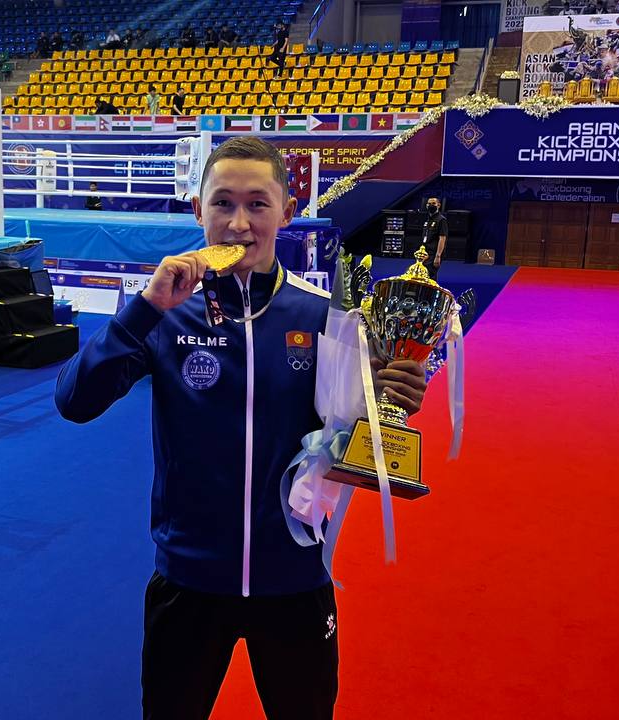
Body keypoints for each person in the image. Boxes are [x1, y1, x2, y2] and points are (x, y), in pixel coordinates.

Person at [55, 136, 428, 720]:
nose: (238, 223)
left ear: (287, 211)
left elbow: (346, 438)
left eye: (258, 204)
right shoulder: (164, 313)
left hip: (295, 580)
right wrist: (143, 309)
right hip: (189, 580)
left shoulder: (325, 317)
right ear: (197, 209)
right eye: (222, 203)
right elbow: (75, 401)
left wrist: (388, 401)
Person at [422, 197, 448, 279]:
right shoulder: (428, 219)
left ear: (438, 205)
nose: (431, 205)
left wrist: (438, 256)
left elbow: (442, 238)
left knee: (430, 275)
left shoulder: (441, 220)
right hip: (425, 252)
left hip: (433, 253)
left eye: (433, 203)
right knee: (423, 275)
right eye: (429, 204)